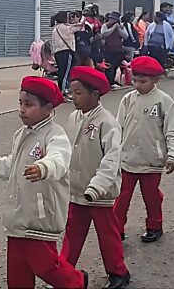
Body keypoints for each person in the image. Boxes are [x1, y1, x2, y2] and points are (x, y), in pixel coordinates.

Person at [0, 77, 87, 289]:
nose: (22, 109)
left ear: (48, 108)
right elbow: (13, 164)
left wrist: (44, 167)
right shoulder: (21, 134)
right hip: (19, 216)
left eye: (29, 105)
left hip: (40, 217)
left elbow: (59, 158)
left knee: (46, 267)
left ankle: (77, 281)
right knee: (17, 270)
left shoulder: (55, 134)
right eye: (20, 103)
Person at [62, 67, 130, 289]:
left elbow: (111, 160)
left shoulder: (107, 122)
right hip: (76, 191)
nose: (74, 98)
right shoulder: (73, 118)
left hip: (99, 194)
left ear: (95, 94)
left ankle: (118, 272)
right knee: (72, 235)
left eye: (79, 93)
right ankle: (63, 273)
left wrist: (97, 186)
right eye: (72, 92)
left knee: (107, 235)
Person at [113, 56, 174, 243]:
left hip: (152, 160)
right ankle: (116, 229)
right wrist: (112, 153)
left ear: (156, 80)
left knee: (151, 197)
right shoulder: (127, 99)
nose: (137, 85)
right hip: (127, 159)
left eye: (142, 81)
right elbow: (117, 128)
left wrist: (173, 155)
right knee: (121, 198)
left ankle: (154, 226)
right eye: (134, 80)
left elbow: (173, 130)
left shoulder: (164, 101)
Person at [51, 11, 79, 95]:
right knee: (65, 73)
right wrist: (77, 20)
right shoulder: (65, 27)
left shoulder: (56, 28)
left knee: (62, 72)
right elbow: (80, 27)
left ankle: (63, 90)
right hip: (65, 52)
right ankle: (63, 91)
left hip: (58, 53)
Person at [101, 12, 128, 87]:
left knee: (116, 66)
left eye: (113, 19)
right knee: (109, 66)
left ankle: (112, 81)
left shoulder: (121, 27)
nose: (111, 20)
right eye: (111, 18)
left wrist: (118, 28)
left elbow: (125, 36)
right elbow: (104, 34)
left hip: (118, 50)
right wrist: (113, 28)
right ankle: (108, 82)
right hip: (108, 50)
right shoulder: (105, 25)